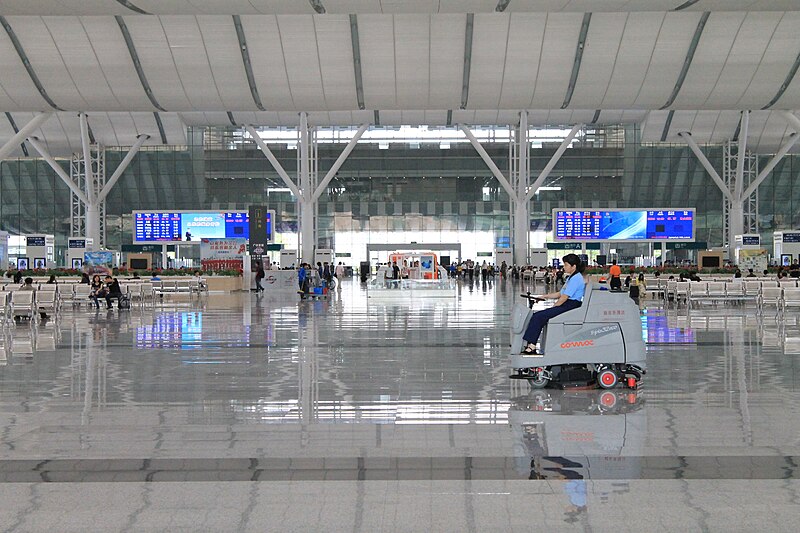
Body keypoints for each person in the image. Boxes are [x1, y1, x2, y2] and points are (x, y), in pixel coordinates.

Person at [520, 254, 585, 355]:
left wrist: (553, 307)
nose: (564, 267)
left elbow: (564, 298)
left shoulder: (576, 278)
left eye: (566, 265)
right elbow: (560, 294)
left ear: (574, 266)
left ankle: (532, 346)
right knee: (539, 315)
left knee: (538, 316)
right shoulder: (571, 278)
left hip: (571, 305)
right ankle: (530, 343)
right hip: (568, 304)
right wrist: (544, 296)